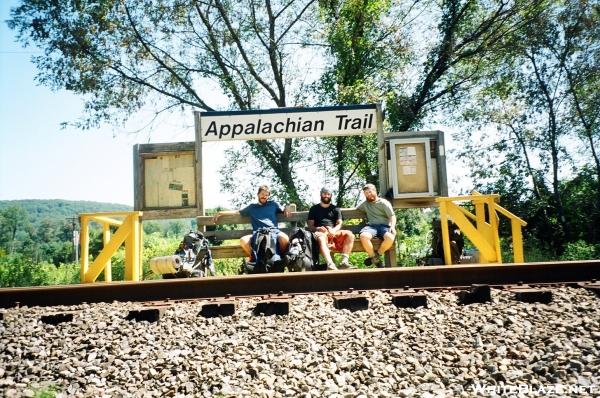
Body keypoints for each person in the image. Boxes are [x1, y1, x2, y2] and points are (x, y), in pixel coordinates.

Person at [213, 185, 290, 260]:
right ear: (258, 194)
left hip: (274, 231)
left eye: (267, 195)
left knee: (285, 239)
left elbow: (284, 209)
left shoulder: (273, 204)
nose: (264, 197)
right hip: (258, 233)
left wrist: (287, 207)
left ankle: (279, 259)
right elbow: (237, 212)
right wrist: (221, 213)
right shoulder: (252, 207)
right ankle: (254, 258)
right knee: (243, 240)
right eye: (262, 194)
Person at [307, 187, 355, 270]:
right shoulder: (314, 209)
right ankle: (330, 264)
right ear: (321, 195)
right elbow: (310, 226)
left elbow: (339, 223)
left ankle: (344, 262)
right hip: (320, 233)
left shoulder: (335, 209)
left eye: (328, 194)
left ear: (331, 196)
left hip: (333, 232)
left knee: (350, 235)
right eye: (324, 194)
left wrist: (333, 230)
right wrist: (318, 228)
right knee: (321, 238)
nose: (326, 196)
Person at [358, 183, 396, 267]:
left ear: (375, 191)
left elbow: (392, 216)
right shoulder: (365, 204)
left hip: (384, 227)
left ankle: (377, 256)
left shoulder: (383, 203)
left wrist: (392, 227)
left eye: (370, 192)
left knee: (390, 237)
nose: (369, 194)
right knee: (363, 236)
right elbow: (357, 209)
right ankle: (374, 257)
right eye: (366, 193)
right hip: (371, 227)